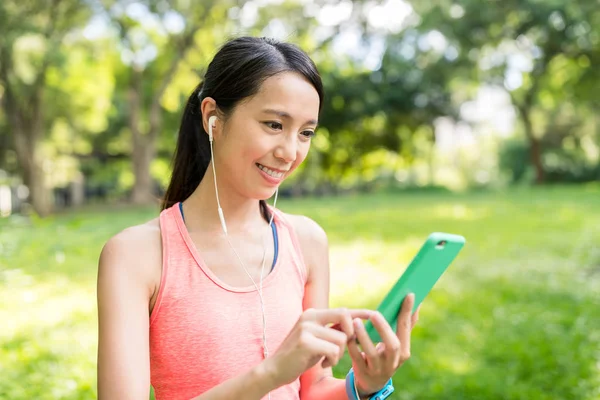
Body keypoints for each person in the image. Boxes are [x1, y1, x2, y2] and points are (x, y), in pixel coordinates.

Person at [97, 36, 420, 400]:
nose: (289, 151)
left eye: (306, 133)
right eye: (274, 125)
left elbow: (312, 389)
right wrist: (269, 373)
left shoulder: (307, 241)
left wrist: (364, 385)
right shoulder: (136, 255)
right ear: (212, 118)